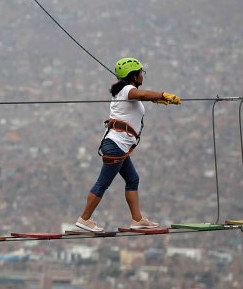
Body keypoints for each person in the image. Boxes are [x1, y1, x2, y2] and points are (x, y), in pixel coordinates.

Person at [75, 57, 180, 233]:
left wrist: (155, 100)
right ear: (133, 75)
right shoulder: (127, 90)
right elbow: (142, 94)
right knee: (103, 183)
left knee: (132, 179)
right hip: (116, 145)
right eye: (140, 72)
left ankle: (137, 219)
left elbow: (140, 98)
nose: (142, 75)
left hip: (119, 145)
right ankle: (84, 219)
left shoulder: (124, 91)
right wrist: (163, 95)